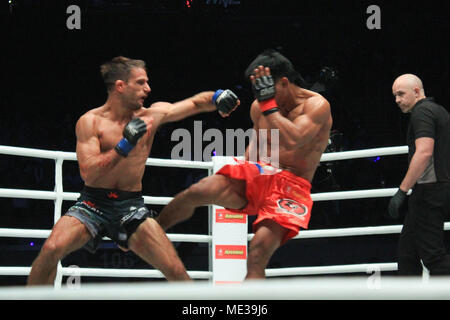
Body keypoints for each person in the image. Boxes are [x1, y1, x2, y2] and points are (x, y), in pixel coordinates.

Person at [27, 56, 239, 285]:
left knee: (175, 269)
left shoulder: (151, 116)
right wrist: (123, 146)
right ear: (120, 86)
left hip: (130, 205)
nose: (148, 89)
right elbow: (89, 173)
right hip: (93, 203)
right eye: (140, 83)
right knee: (51, 248)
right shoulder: (90, 122)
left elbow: (196, 103)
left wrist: (218, 97)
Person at [156, 50, 332, 279]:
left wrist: (269, 104)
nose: (260, 94)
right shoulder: (260, 106)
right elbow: (256, 146)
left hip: (292, 184)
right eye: (257, 89)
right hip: (262, 171)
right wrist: (241, 173)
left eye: (265, 88)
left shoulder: (317, 105)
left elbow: (294, 139)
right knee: (198, 190)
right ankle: (153, 231)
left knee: (258, 251)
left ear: (285, 82)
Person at [389, 73, 450, 276]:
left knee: (434, 258)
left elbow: (424, 152)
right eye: (394, 95)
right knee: (407, 254)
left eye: (400, 94)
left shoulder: (422, 113)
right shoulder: (439, 111)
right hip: (434, 189)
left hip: (429, 190)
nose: (397, 100)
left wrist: (401, 191)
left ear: (416, 92)